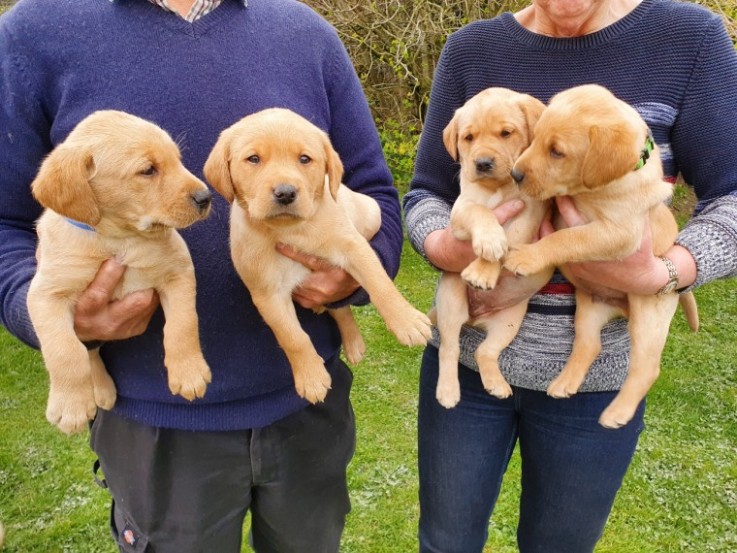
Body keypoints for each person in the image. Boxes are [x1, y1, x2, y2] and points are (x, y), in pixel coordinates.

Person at [0, 0, 402, 551]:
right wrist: (49, 313)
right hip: (158, 422)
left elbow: (372, 191)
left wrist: (354, 275)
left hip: (305, 403)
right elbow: (6, 220)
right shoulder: (34, 31)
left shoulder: (306, 32)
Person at [403, 0, 737, 551]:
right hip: (466, 360)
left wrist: (667, 271)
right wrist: (444, 246)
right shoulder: (472, 48)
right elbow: (425, 194)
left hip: (594, 373)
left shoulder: (689, 38)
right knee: (445, 542)